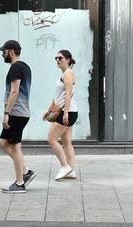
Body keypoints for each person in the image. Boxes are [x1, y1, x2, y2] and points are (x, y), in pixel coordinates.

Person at [0, 39, 34, 193]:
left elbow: (14, 91)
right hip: (21, 113)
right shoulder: (25, 67)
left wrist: (7, 113)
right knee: (3, 142)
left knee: (15, 146)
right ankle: (25, 171)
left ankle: (20, 184)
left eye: (3, 52)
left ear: (11, 52)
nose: (2, 55)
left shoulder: (15, 68)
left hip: (16, 113)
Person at [45, 49, 78, 180]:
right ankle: (71, 170)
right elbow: (58, 96)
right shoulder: (64, 74)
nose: (58, 60)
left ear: (68, 60)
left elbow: (68, 94)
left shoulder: (68, 74)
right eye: (56, 58)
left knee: (51, 139)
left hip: (68, 112)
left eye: (61, 58)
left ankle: (65, 167)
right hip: (68, 111)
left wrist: (65, 114)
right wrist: (49, 111)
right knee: (67, 142)